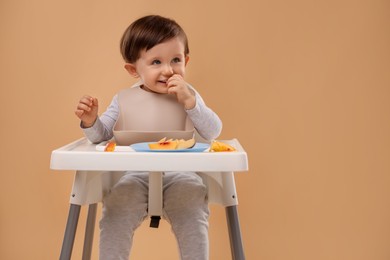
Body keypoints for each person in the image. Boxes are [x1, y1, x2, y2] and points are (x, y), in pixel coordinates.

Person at [75, 15, 222, 260]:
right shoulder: (123, 99)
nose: (168, 70)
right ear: (134, 69)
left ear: (186, 60)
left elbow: (213, 131)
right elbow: (101, 136)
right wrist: (91, 120)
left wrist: (192, 103)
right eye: (156, 62)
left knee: (193, 208)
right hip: (135, 174)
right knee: (116, 207)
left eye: (176, 60)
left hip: (181, 174)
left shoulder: (188, 95)